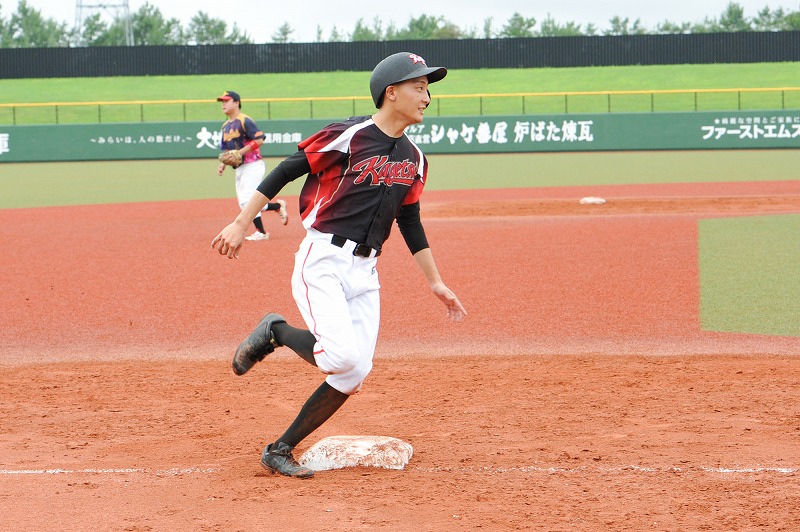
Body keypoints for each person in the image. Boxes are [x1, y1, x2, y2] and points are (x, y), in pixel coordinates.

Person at [211, 52, 467, 479]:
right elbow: (286, 170)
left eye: (428, 89)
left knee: (354, 373)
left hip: (366, 272)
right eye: (419, 87)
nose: (427, 97)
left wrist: (435, 282)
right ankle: (276, 331)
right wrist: (241, 222)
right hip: (324, 259)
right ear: (391, 92)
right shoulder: (349, 135)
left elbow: (409, 221)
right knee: (340, 357)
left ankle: (279, 449)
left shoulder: (415, 158)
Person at [216, 90, 288, 241]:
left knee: (246, 200)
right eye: (222, 101)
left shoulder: (244, 120)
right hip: (239, 167)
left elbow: (260, 139)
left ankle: (261, 232)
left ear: (236, 103)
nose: (223, 104)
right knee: (245, 203)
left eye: (226, 101)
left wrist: (240, 152)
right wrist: (223, 164)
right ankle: (277, 207)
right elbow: (228, 149)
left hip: (253, 164)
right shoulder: (225, 126)